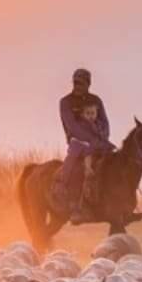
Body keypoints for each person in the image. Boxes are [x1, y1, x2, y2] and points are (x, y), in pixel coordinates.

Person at [58, 68, 114, 223]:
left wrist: (102, 137)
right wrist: (91, 141)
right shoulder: (65, 102)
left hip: (99, 141)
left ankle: (117, 201)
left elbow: (105, 122)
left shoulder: (96, 100)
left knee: (115, 163)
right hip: (78, 143)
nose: (78, 86)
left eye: (81, 83)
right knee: (77, 169)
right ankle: (75, 206)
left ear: (88, 84)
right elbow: (72, 126)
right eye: (76, 82)